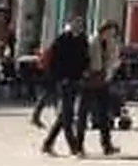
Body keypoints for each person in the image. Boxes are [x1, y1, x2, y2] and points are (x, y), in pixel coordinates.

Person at [41, 17, 91, 157]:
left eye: (81, 24)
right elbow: (53, 61)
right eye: (76, 24)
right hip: (64, 81)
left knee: (64, 115)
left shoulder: (82, 40)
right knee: (68, 116)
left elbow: (85, 59)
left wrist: (84, 72)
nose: (78, 27)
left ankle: (47, 143)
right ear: (69, 25)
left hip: (77, 80)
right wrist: (58, 78)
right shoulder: (62, 40)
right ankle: (74, 147)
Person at [76, 22, 122, 156]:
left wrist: (109, 72)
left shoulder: (110, 44)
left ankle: (107, 145)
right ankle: (79, 146)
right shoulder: (92, 42)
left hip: (103, 80)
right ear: (104, 30)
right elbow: (85, 60)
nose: (111, 35)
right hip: (89, 81)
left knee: (104, 114)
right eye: (110, 32)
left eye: (113, 33)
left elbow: (112, 61)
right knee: (83, 114)